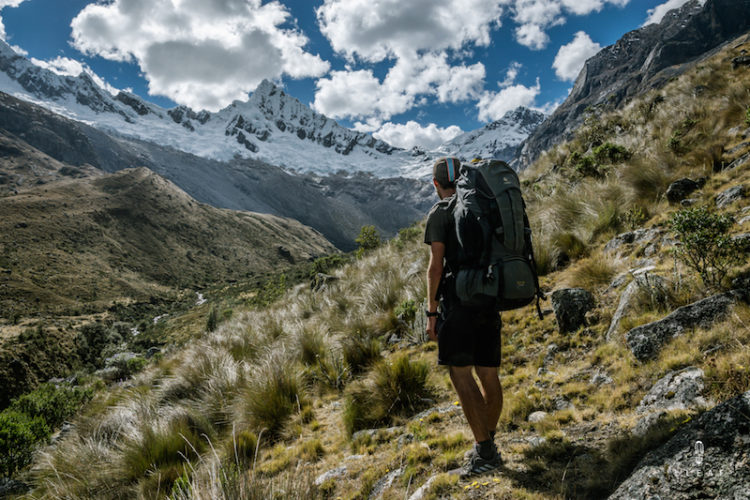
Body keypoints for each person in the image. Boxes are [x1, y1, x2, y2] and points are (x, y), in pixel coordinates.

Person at [424, 156, 503, 477]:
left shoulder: (440, 213)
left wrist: (431, 312)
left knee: (460, 375)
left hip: (458, 304)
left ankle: (485, 451)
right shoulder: (486, 206)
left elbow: (436, 266)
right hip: (489, 298)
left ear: (436, 185)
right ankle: (488, 442)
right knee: (488, 374)